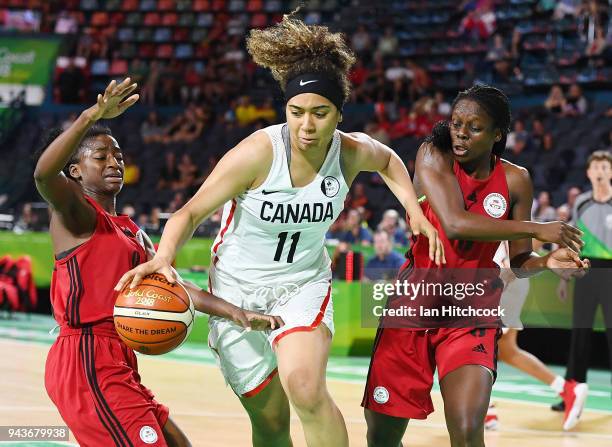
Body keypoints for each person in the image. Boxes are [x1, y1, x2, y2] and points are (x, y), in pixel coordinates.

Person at [115, 14, 444, 447]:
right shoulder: (257, 153)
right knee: (270, 421)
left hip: (300, 284)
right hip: (235, 290)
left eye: (320, 114)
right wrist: (163, 257)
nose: (307, 126)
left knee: (306, 388)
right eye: (297, 112)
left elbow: (388, 161)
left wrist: (412, 210)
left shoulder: (349, 152)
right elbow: (188, 214)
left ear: (339, 115)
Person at [34, 78, 282, 447]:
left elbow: (175, 285)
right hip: (85, 356)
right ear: (75, 172)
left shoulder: (132, 230)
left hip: (118, 358)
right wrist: (92, 115)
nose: (114, 162)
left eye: (118, 155)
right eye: (100, 157)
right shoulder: (77, 217)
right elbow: (42, 174)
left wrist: (236, 313)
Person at [362, 85, 589, 447]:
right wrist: (537, 228)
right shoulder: (432, 154)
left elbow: (519, 261)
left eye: (474, 126)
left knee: (468, 431)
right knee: (382, 439)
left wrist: (546, 260)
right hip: (415, 302)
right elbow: (454, 222)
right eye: (456, 123)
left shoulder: (516, 180)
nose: (461, 133)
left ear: (498, 134)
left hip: (472, 308)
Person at [485, 240, 581, 431]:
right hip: (505, 278)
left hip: (505, 280)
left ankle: (485, 409)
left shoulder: (513, 215)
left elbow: (536, 235)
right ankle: (566, 389)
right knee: (508, 351)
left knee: (479, 342)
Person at [553, 150, 612, 421]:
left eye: (604, 166)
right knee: (579, 334)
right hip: (586, 271)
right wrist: (565, 277)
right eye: (595, 167)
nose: (599, 171)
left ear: (610, 172)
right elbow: (573, 243)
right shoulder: (582, 203)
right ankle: (570, 392)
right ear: (588, 173)